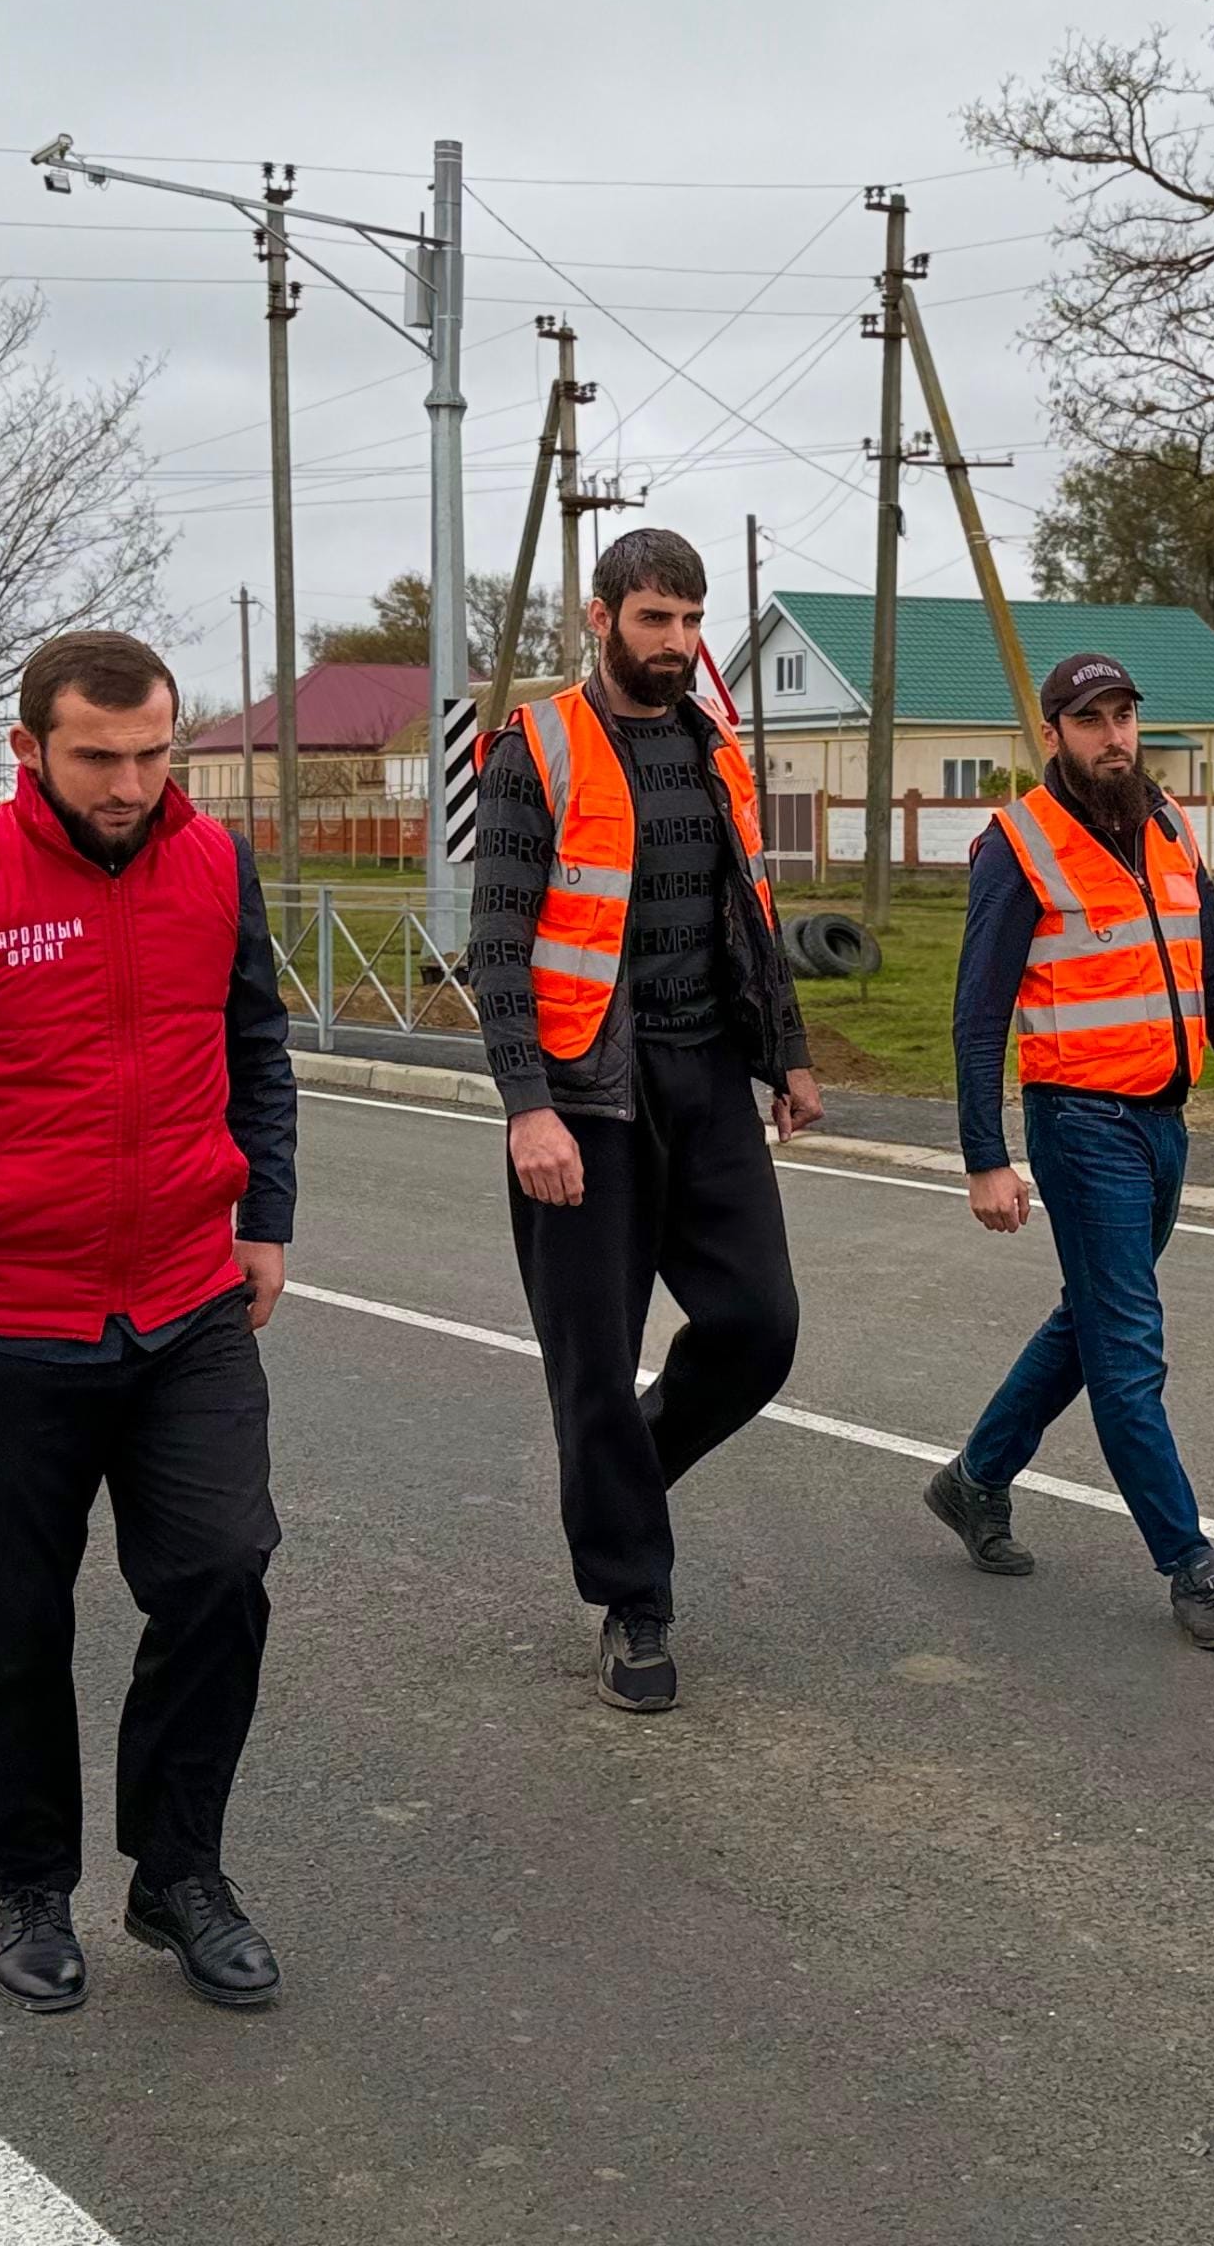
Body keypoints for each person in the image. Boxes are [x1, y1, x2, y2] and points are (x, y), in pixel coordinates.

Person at [0, 631, 297, 2016]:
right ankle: (31, 1882)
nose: (131, 785)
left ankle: (178, 1874)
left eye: (154, 755)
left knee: (221, 1574)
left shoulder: (217, 867)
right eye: (98, 758)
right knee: (12, 1625)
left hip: (186, 1307)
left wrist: (264, 1213)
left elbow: (257, 1050)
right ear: (30, 749)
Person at [473, 526, 826, 1714]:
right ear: (601, 618)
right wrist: (528, 1109)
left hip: (708, 1077)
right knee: (591, 1361)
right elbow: (498, 945)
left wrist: (788, 1055)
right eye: (653, 619)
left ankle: (621, 1476)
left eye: (691, 620)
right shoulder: (536, 747)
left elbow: (748, 911)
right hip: (586, 1099)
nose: (675, 642)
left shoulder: (714, 746)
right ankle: (634, 1601)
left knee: (760, 1325)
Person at [924, 652, 1214, 1649]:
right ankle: (1190, 1561)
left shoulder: (1168, 823)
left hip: (1162, 1120)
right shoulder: (1019, 844)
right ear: (1054, 734)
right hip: (1080, 1124)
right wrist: (984, 1156)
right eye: (1092, 720)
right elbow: (977, 1017)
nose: (1114, 736)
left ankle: (975, 1479)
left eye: (1124, 717)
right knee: (1129, 1350)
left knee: (1097, 1319)